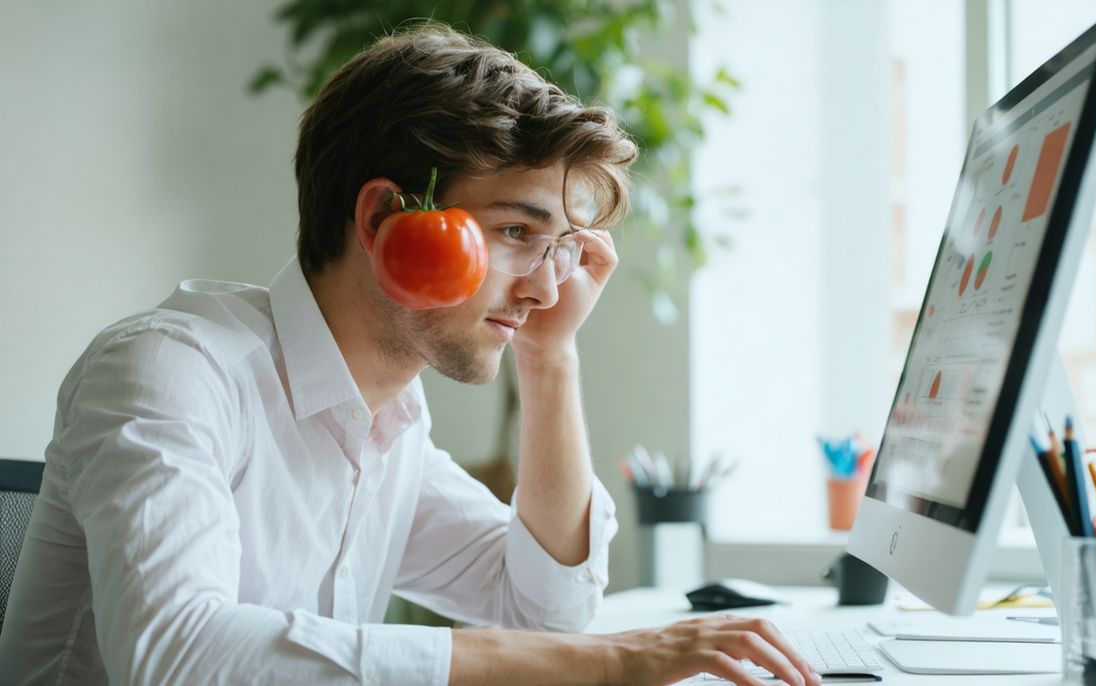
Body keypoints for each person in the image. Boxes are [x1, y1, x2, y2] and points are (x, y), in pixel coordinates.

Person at [0, 25, 819, 686]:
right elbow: (176, 657)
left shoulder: (388, 421)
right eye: (515, 232)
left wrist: (549, 355)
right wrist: (611, 662)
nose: (542, 284)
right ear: (387, 217)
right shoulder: (170, 372)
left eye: (561, 246)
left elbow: (543, 611)